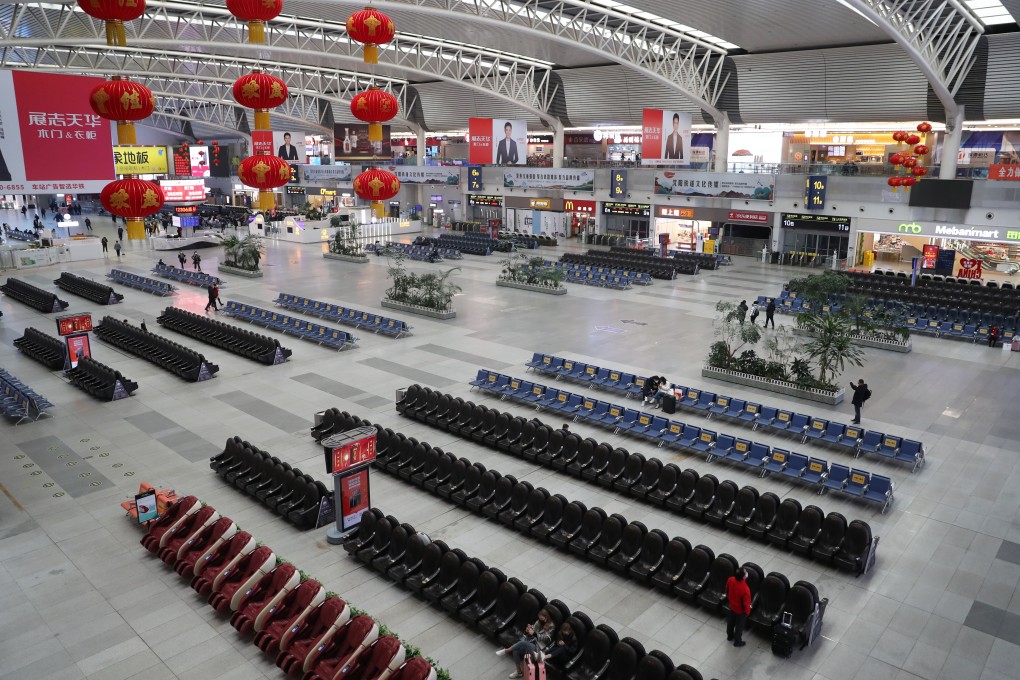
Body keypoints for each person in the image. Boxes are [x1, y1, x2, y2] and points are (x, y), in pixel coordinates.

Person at [495, 607, 555, 679]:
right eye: (539, 618)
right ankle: (518, 671)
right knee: (516, 650)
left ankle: (506, 650)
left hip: (539, 648)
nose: (540, 620)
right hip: (531, 642)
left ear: (546, 617)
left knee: (522, 643)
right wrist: (528, 630)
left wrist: (534, 634)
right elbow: (532, 630)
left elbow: (547, 639)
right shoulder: (538, 622)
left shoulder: (551, 626)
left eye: (542, 618)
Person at [725, 567, 751, 647]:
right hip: (740, 611)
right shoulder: (745, 589)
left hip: (732, 606)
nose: (746, 572)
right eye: (745, 572)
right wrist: (747, 612)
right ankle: (737, 642)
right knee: (739, 627)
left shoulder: (730, 579)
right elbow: (746, 604)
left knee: (730, 623)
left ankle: (729, 636)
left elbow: (727, 590)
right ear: (743, 577)